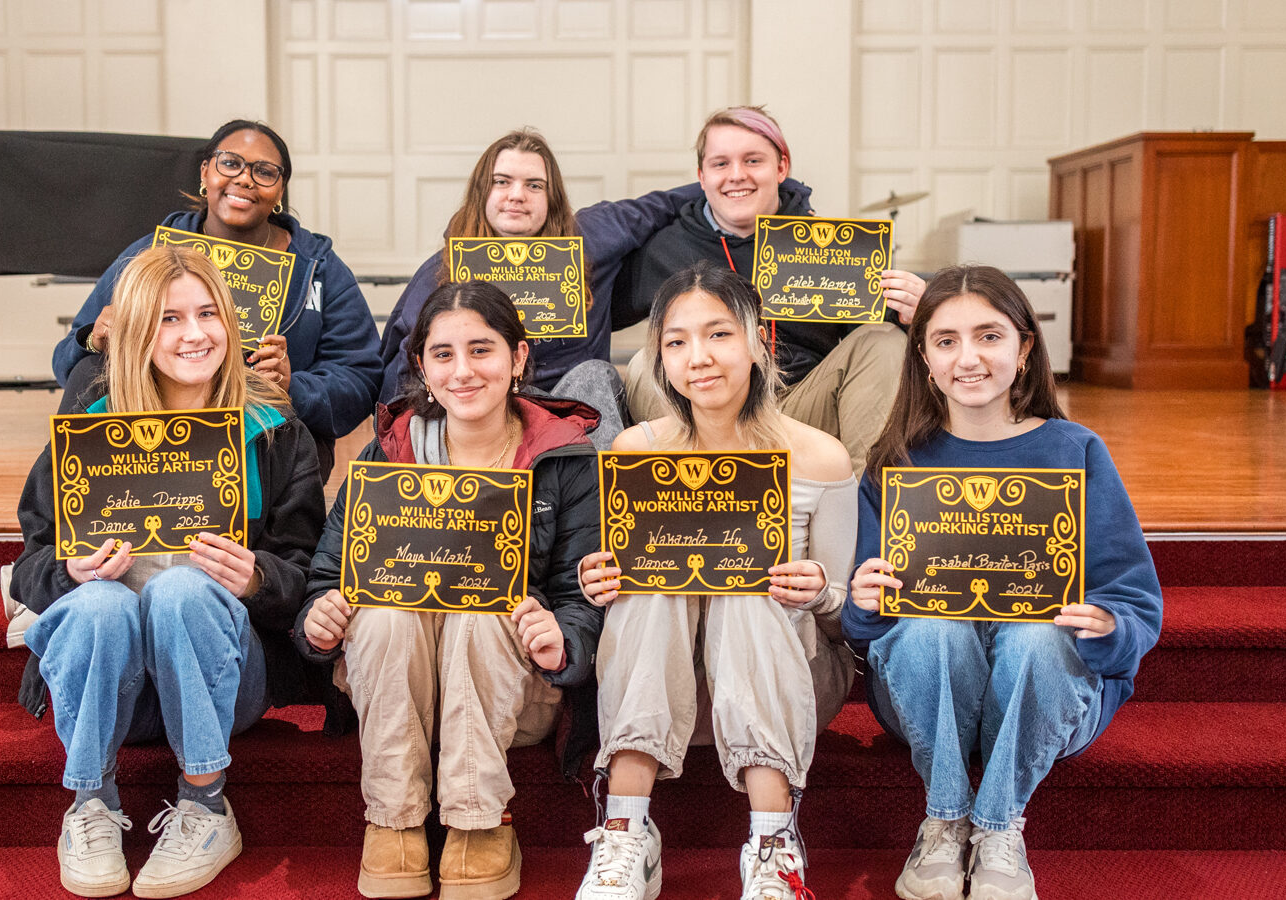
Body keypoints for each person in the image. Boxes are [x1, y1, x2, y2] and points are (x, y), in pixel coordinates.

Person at [12, 246, 327, 898]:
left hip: (220, 681)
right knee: (99, 603)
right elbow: (30, 567)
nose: (193, 334)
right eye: (168, 319)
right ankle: (89, 805)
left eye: (207, 313)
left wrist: (257, 578)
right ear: (135, 331)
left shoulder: (275, 430)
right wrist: (70, 571)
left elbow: (309, 575)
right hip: (111, 684)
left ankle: (206, 805)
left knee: (185, 588)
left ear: (230, 323)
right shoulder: (90, 423)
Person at [843, 265, 1163, 900]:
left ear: (1024, 349)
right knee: (929, 628)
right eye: (945, 341)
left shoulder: (1077, 450)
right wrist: (864, 604)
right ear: (923, 360)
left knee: (1040, 638)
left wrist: (1109, 626)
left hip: (1047, 689)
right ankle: (944, 818)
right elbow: (866, 631)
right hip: (930, 692)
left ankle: (997, 828)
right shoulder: (895, 464)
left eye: (989, 336)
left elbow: (1133, 599)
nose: (969, 358)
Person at [300, 280, 603, 900]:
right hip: (392, 686)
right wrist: (318, 620)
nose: (462, 371)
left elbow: (581, 599)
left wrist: (562, 638)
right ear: (421, 367)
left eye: (482, 350)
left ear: (518, 358)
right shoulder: (386, 457)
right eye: (442, 354)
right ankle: (394, 819)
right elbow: (329, 581)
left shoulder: (566, 459)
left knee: (482, 613)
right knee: (381, 613)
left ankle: (478, 821)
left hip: (509, 693)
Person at [574, 262, 858, 900]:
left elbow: (847, 623)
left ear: (760, 342)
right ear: (661, 361)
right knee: (651, 587)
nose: (698, 358)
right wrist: (601, 583)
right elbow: (613, 590)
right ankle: (625, 834)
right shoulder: (635, 452)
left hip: (786, 679)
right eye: (676, 342)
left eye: (719, 335)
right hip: (664, 684)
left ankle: (774, 841)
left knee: (744, 590)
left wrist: (817, 591)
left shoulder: (820, 455)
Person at [53, 119, 381, 477]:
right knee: (90, 368)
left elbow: (361, 379)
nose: (244, 179)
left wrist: (293, 386)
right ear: (205, 171)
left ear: (281, 189)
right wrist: (93, 339)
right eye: (230, 163)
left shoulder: (319, 268)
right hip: (151, 445)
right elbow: (67, 363)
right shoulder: (149, 255)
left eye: (265, 171)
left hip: (271, 448)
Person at [616, 105, 926, 475]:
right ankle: (684, 501)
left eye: (752, 160)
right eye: (720, 164)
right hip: (705, 416)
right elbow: (598, 310)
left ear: (781, 168)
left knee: (884, 340)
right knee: (640, 365)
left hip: (801, 408)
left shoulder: (830, 243)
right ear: (701, 176)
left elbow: (884, 341)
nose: (736, 175)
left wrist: (918, 312)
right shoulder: (664, 248)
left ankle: (865, 502)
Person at [376, 129, 704, 449]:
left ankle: (602, 495)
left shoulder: (594, 237)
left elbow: (667, 203)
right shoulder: (444, 271)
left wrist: (742, 187)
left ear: (552, 197)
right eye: (501, 182)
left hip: (571, 407)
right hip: (483, 408)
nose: (517, 195)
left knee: (595, 374)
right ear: (481, 193)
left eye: (534, 185)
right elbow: (403, 365)